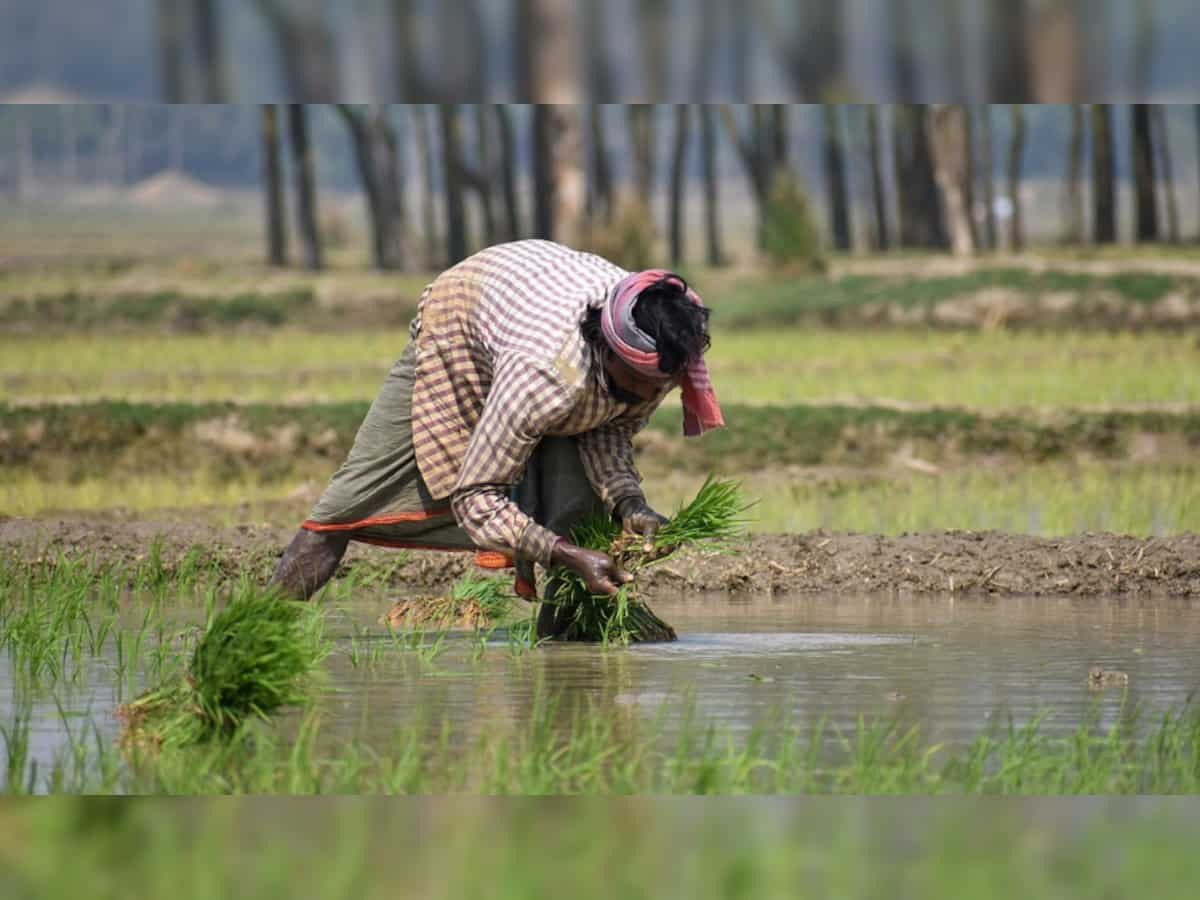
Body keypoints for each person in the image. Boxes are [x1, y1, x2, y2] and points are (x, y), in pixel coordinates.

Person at [269, 239, 723, 638]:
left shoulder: (653, 356)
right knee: (348, 502)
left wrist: (630, 504)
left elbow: (610, 428)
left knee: (582, 509)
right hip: (463, 320)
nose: (645, 398)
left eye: (657, 388)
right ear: (606, 350)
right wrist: (564, 555)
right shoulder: (543, 375)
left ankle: (562, 652)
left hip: (530, 298)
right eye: (636, 385)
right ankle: (257, 630)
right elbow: (476, 496)